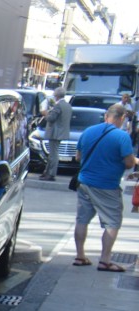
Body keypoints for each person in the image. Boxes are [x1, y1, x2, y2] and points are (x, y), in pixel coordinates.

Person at [71, 102, 137, 272]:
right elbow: (129, 162)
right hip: (107, 186)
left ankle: (80, 256)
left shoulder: (88, 131)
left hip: (84, 183)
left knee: (82, 220)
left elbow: (78, 157)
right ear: (122, 118)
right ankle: (105, 260)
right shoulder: (121, 137)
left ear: (106, 116)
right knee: (112, 222)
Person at [40, 87, 71, 181]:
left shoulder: (58, 106)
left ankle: (51, 174)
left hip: (55, 133)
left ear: (56, 96)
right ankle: (47, 172)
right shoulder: (68, 105)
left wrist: (45, 114)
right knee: (52, 153)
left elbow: (51, 118)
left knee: (53, 154)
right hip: (61, 132)